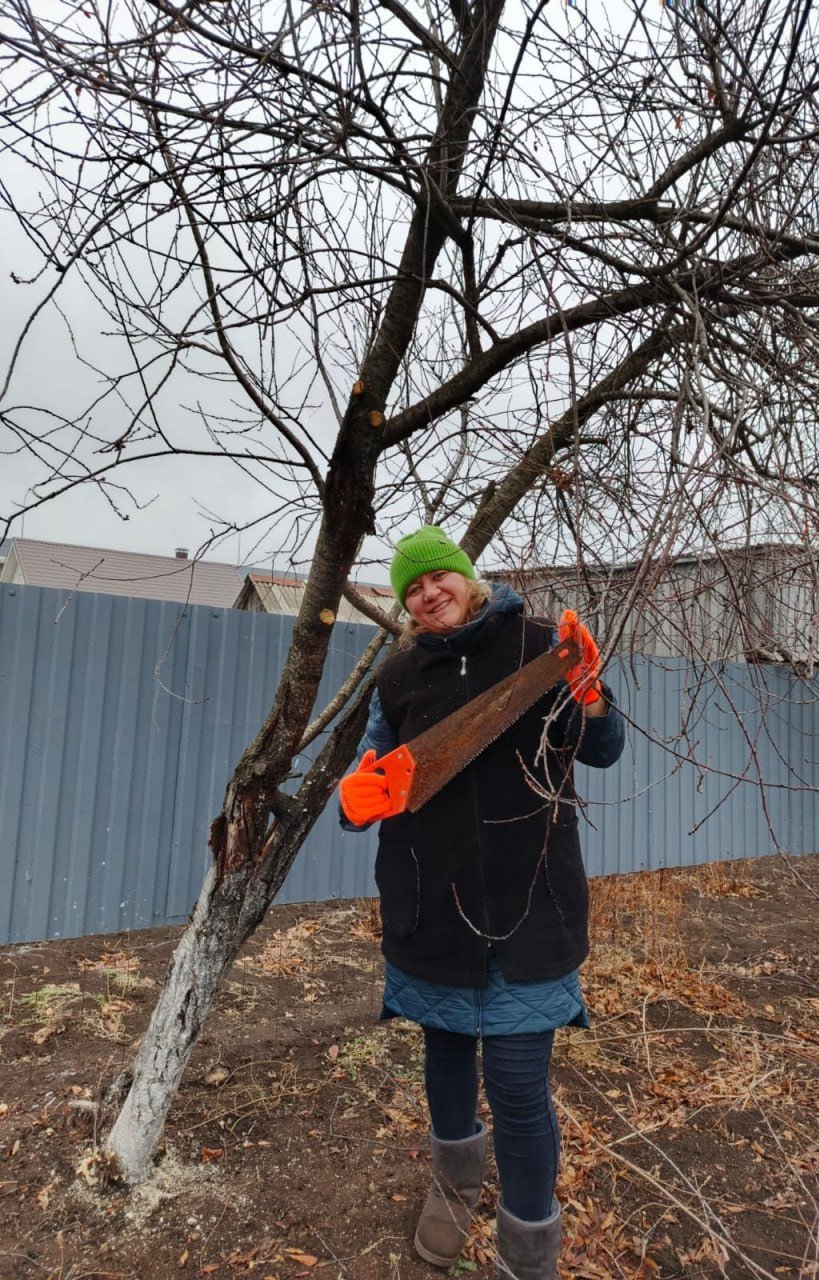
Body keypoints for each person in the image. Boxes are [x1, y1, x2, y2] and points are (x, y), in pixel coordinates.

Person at [339, 526, 625, 1280]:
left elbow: (600, 750)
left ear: (466, 577)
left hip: (531, 903)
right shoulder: (399, 679)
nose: (428, 594)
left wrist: (591, 697)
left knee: (519, 1083)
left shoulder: (540, 647)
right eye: (411, 589)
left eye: (438, 579)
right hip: (430, 904)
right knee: (445, 1056)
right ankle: (455, 1182)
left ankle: (530, 1246)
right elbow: (372, 777)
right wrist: (354, 799)